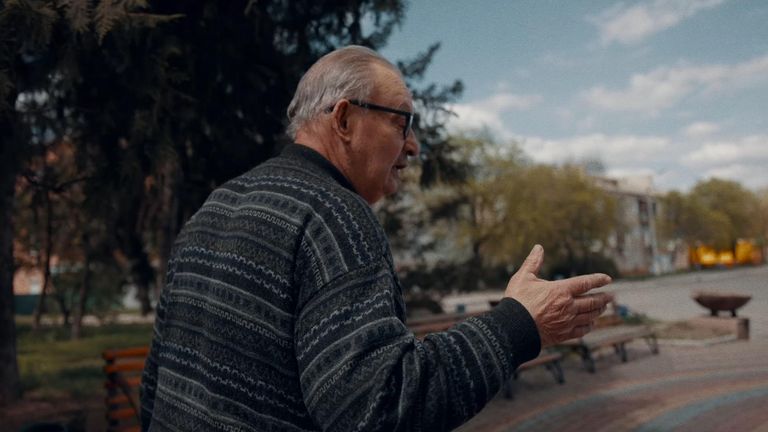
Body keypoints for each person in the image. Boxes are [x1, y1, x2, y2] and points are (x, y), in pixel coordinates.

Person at [140, 45, 613, 432]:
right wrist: (519, 324)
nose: (413, 145)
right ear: (344, 120)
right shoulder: (334, 215)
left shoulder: (215, 205)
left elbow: (155, 383)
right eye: (401, 121)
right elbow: (377, 410)